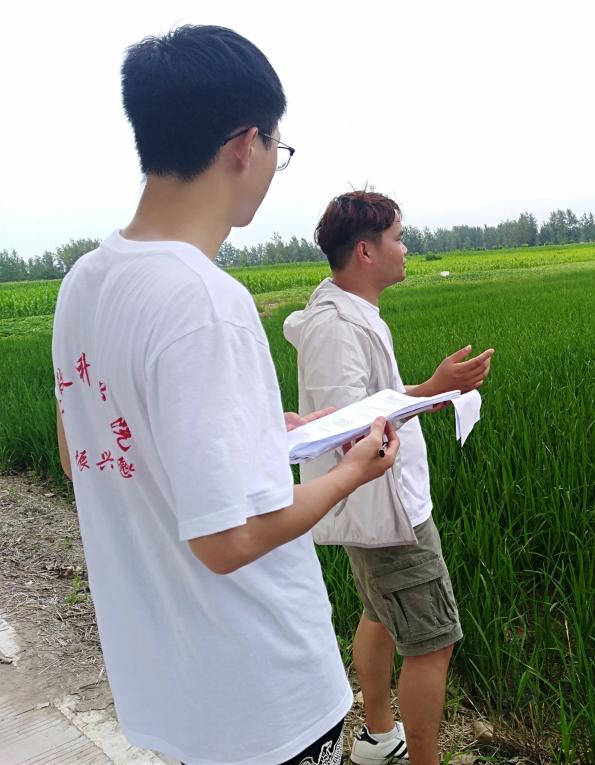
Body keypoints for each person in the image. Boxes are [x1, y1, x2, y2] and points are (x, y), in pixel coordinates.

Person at [51, 25, 399, 765]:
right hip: (263, 695)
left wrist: (262, 430)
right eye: (278, 147)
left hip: (174, 685)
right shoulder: (206, 300)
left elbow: (86, 446)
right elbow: (229, 540)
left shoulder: (83, 282)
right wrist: (351, 471)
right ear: (246, 145)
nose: (273, 164)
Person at [283, 191, 494, 765]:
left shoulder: (351, 313)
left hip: (382, 505)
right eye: (398, 238)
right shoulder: (335, 327)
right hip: (387, 511)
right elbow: (350, 427)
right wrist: (427, 392)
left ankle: (379, 737)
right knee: (433, 643)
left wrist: (433, 392)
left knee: (379, 615)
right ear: (365, 251)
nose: (405, 248)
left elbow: (369, 404)